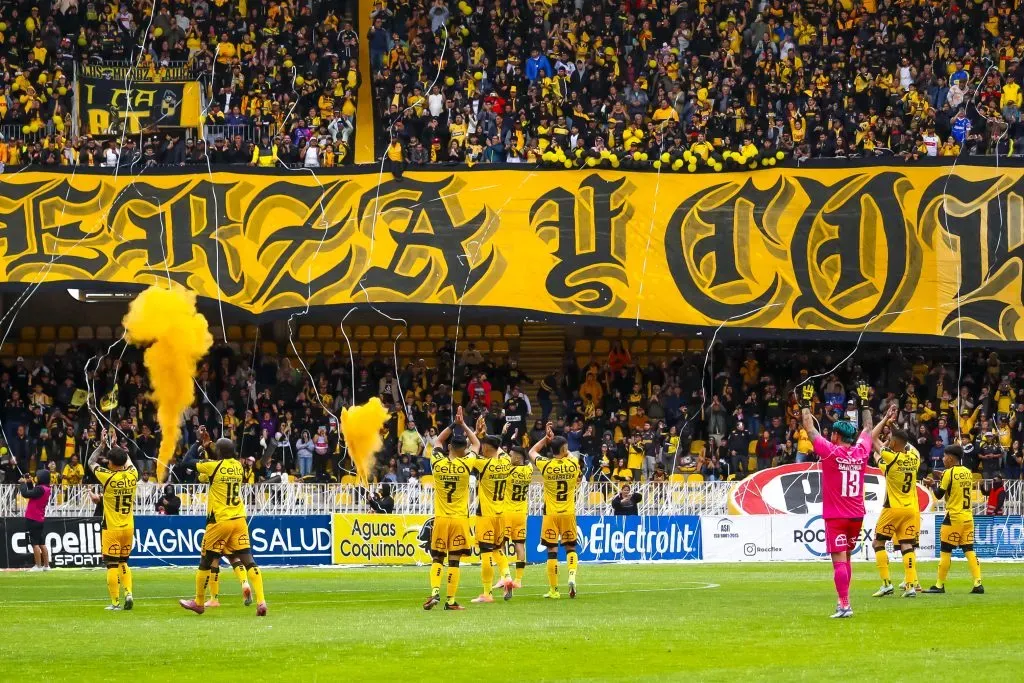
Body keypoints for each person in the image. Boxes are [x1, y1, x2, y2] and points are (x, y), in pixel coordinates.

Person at [179, 437, 268, 616]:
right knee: (248, 561)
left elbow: (186, 462)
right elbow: (221, 464)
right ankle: (261, 601)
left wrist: (197, 442)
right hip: (239, 519)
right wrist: (211, 448)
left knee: (206, 561)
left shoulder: (213, 467)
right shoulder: (238, 466)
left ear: (218, 452)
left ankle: (198, 602)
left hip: (220, 520)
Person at [801, 404, 872, 618]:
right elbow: (868, 426)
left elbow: (808, 427)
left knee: (839, 561)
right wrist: (865, 403)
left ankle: (844, 605)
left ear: (835, 435)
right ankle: (844, 602)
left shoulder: (830, 452)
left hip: (836, 516)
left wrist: (805, 405)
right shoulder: (861, 452)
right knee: (847, 558)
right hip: (857, 515)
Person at [423, 406, 476, 611]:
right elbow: (477, 443)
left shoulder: (438, 462)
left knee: (437, 558)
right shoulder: (466, 464)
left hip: (441, 519)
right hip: (459, 520)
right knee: (454, 561)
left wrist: (454, 424)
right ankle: (451, 601)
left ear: (449, 448)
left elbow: (437, 441)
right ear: (464, 450)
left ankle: (434, 592)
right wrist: (464, 424)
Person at [869, 405, 921, 598]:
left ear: (894, 443)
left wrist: (885, 420)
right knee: (907, 546)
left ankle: (886, 583)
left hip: (893, 508)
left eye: (890, 440)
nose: (888, 442)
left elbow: (872, 438)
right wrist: (894, 428)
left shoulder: (891, 458)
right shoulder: (914, 458)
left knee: (878, 543)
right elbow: (906, 443)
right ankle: (910, 586)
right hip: (910, 509)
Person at [528, 421, 581, 599]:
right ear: (565, 448)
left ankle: (554, 590)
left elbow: (531, 452)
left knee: (552, 551)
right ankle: (572, 577)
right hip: (568, 512)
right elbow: (568, 453)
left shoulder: (547, 465)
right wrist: (556, 440)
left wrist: (545, 438)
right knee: (571, 547)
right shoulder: (574, 463)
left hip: (551, 514)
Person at [87, 430, 139, 611]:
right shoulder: (133, 474)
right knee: (124, 562)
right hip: (129, 527)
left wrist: (102, 445)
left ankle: (116, 603)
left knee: (111, 564)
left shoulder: (107, 477)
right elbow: (128, 461)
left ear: (110, 462)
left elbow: (91, 462)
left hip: (111, 528)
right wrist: (116, 446)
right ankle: (129, 593)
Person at [923, 445, 984, 595]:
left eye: (944, 456)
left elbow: (939, 495)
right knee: (969, 550)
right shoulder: (968, 472)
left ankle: (939, 585)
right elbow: (955, 487)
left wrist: (932, 485)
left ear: (950, 457)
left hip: (953, 517)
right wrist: (941, 477)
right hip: (968, 517)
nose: (943, 459)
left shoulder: (949, 473)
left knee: (945, 551)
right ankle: (978, 583)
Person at [467, 424, 514, 603]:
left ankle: (487, 593)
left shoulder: (483, 463)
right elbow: (499, 449)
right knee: (497, 549)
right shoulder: (506, 460)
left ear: (486, 447)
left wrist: (479, 437)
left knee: (486, 554)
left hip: (486, 515)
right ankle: (507, 576)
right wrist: (486, 436)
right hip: (501, 515)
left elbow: (470, 453)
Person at [503, 446, 532, 589]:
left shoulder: (508, 470)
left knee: (500, 545)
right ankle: (518, 580)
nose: (509, 456)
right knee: (520, 545)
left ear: (518, 457)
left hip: (507, 512)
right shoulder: (529, 470)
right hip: (521, 514)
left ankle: (504, 576)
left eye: (511, 454)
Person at [20, 469, 52, 571]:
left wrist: (23, 484)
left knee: (35, 544)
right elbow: (33, 493)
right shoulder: (45, 488)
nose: (36, 478)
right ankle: (46, 566)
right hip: (39, 519)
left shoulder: (40, 489)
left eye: (38, 476)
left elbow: (26, 494)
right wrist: (29, 483)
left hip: (33, 518)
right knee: (42, 543)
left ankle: (38, 566)